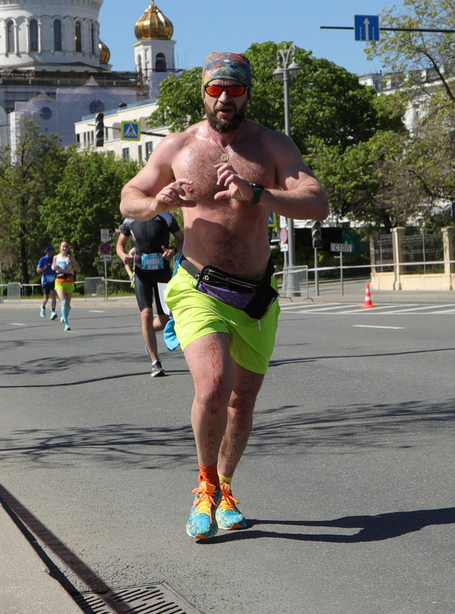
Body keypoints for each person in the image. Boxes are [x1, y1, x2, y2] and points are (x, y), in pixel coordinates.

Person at [121, 51, 328, 541]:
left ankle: (227, 486)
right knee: (213, 387)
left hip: (254, 296)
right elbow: (130, 194)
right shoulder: (178, 146)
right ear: (204, 94)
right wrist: (157, 203)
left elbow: (316, 202)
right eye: (216, 90)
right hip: (198, 286)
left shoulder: (271, 147)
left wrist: (259, 195)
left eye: (234, 90)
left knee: (241, 404)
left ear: (247, 93)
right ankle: (203, 484)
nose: (224, 99)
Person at [125, 212, 178, 376]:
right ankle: (155, 362)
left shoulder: (166, 217)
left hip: (162, 274)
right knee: (146, 315)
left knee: (164, 320)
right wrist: (123, 256)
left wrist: (173, 251)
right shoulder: (131, 218)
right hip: (142, 274)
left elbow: (182, 238)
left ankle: (148, 334)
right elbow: (120, 245)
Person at [51, 241, 78, 330]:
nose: (64, 249)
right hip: (59, 281)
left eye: (66, 247)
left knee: (68, 305)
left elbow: (78, 268)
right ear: (60, 247)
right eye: (63, 247)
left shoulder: (70, 257)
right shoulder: (56, 257)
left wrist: (72, 265)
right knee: (63, 301)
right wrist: (55, 266)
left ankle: (64, 316)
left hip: (69, 281)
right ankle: (66, 323)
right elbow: (54, 268)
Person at [36, 248, 57, 318]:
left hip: (53, 280)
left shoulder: (54, 259)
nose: (51, 254)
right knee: (46, 298)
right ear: (47, 252)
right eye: (50, 252)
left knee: (53, 294)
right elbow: (38, 270)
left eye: (52, 252)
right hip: (45, 281)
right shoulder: (43, 259)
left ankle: (53, 311)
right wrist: (43, 269)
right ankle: (43, 307)